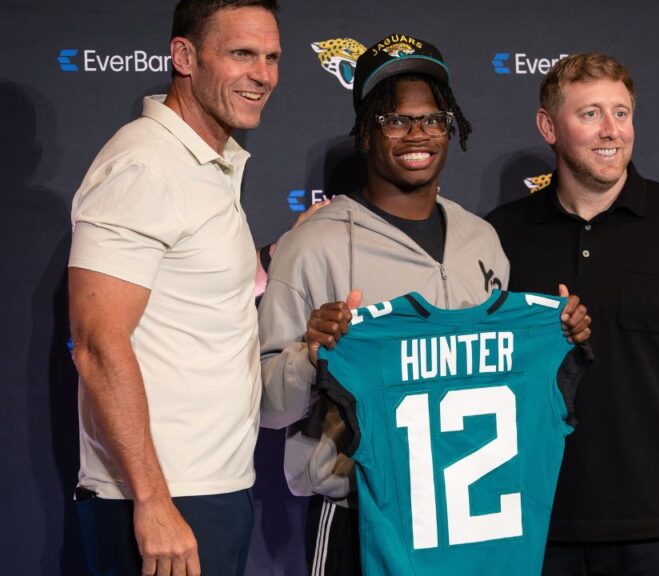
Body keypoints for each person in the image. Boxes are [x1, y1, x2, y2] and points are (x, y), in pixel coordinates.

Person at [257, 34, 592, 576]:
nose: (418, 134)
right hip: (360, 515)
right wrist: (311, 355)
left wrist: (560, 336)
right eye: (396, 120)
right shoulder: (314, 245)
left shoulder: (481, 238)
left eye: (433, 119)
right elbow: (267, 408)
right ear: (365, 131)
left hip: (473, 519)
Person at [486, 52, 659, 576]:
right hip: (538, 526)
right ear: (549, 126)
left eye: (621, 113)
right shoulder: (499, 235)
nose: (611, 130)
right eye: (590, 114)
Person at [68, 1, 280, 575]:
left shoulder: (205, 163)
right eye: (242, 54)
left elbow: (190, 286)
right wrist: (154, 503)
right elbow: (97, 344)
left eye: (271, 57)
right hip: (163, 499)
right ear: (184, 57)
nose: (262, 74)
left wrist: (274, 257)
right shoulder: (145, 165)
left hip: (211, 487)